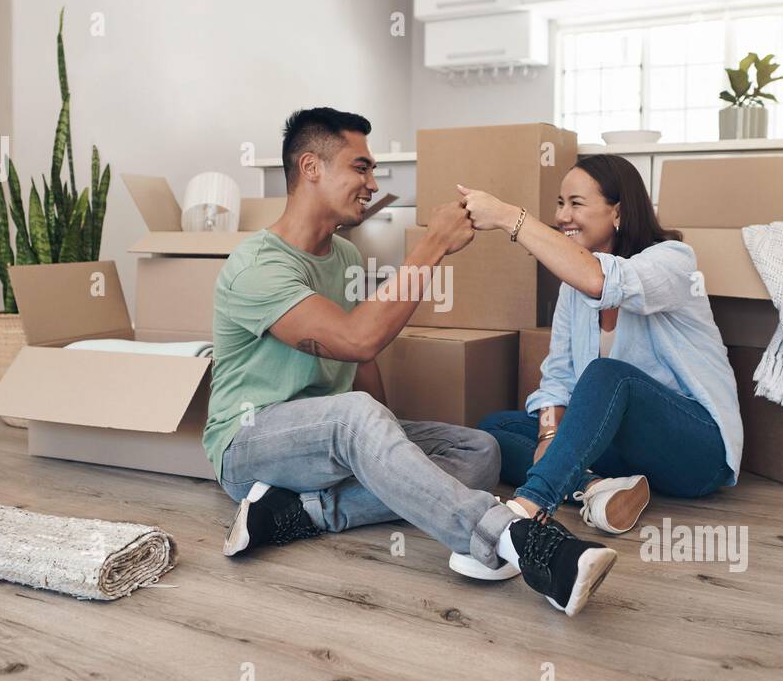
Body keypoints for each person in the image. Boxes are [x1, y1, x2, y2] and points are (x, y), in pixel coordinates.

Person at [202, 108, 618, 616]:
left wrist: (384, 444)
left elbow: (365, 365)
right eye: (361, 167)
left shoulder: (346, 259)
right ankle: (516, 541)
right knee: (355, 415)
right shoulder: (257, 265)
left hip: (331, 435)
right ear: (311, 168)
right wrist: (432, 245)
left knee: (479, 452)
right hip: (249, 444)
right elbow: (357, 341)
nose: (373, 184)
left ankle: (299, 514)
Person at [467, 154, 742, 535]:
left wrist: (509, 217)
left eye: (576, 204)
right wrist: (548, 435)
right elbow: (559, 377)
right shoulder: (572, 287)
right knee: (495, 429)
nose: (563, 215)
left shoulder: (673, 261)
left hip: (695, 452)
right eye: (560, 203)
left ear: (618, 212)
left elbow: (604, 281)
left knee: (608, 375)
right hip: (628, 456)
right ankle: (597, 490)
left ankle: (530, 506)